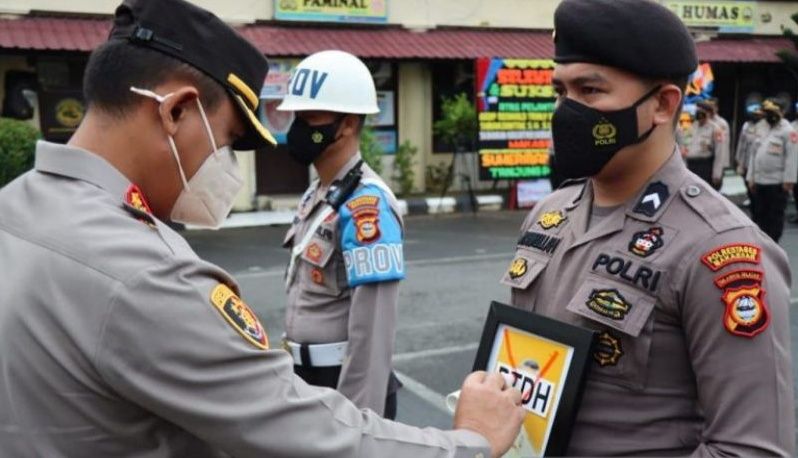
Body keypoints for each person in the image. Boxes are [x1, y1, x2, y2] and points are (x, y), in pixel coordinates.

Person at [0, 0, 526, 456]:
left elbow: (369, 337)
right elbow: (311, 437)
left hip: (331, 390)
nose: (225, 164)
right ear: (177, 111)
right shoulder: (146, 275)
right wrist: (470, 442)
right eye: (228, 141)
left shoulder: (14, 207)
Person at [503, 0, 794, 455]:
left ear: (662, 104)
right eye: (561, 91)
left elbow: (751, 449)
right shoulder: (550, 213)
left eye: (590, 90)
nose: (566, 110)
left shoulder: (719, 249)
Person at [277, 50, 402, 419]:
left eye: (310, 118)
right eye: (296, 117)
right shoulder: (317, 194)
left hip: (341, 387)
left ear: (346, 124)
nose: (298, 129)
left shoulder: (368, 206)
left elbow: (373, 333)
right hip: (304, 378)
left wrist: (356, 422)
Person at [746, 99, 798, 242]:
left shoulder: (788, 131)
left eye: (772, 112)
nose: (769, 116)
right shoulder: (760, 127)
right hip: (759, 181)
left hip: (777, 182)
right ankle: (763, 244)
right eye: (767, 113)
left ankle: (773, 244)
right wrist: (751, 177)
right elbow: (753, 155)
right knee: (759, 215)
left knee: (774, 217)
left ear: (781, 112)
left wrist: (789, 180)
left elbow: (792, 157)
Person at [683, 100, 726, 188]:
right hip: (690, 166)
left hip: (705, 167)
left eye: (701, 111)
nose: (698, 113)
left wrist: (717, 174)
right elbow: (685, 146)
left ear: (709, 113)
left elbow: (720, 153)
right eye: (697, 111)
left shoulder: (715, 129)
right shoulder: (691, 127)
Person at [736, 103, 763, 215]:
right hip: (747, 163)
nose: (755, 116)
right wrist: (739, 163)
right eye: (754, 114)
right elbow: (742, 145)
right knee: (749, 190)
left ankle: (759, 212)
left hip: (759, 165)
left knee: (759, 192)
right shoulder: (746, 126)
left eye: (758, 114)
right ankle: (754, 211)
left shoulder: (764, 127)